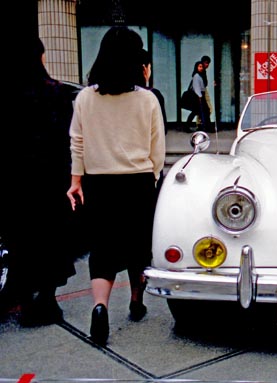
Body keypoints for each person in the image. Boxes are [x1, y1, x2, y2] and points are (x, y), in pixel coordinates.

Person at [66, 26, 166, 345]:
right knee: (138, 245)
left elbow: (77, 142)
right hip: (137, 182)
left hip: (99, 183)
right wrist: (151, 177)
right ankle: (136, 301)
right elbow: (157, 148)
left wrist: (76, 179)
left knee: (104, 247)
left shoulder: (85, 98)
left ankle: (99, 306)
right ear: (137, 61)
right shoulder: (147, 100)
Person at [0, 36, 84, 326]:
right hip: (51, 179)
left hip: (15, 183)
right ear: (40, 57)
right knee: (52, 240)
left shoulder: (5, 95)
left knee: (21, 242)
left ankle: (24, 302)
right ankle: (47, 300)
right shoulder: (57, 93)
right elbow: (69, 138)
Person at [140, 48, 167, 192]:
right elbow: (160, 136)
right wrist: (156, 175)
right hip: (144, 171)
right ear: (145, 69)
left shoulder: (88, 96)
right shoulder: (151, 96)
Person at [185, 60, 211, 132]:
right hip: (198, 96)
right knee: (202, 111)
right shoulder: (196, 76)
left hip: (200, 95)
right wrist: (200, 96)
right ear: (196, 67)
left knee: (197, 111)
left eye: (202, 67)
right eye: (199, 67)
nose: (201, 68)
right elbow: (196, 87)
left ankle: (202, 126)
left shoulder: (200, 75)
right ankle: (203, 127)